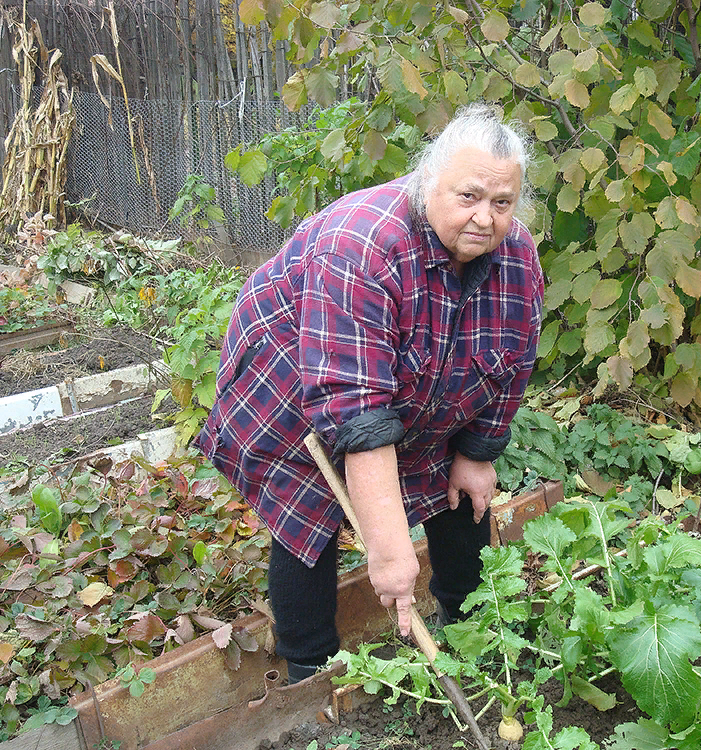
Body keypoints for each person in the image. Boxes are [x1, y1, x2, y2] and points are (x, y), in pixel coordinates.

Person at [194, 103, 544, 684]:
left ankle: (470, 633)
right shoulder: (361, 247)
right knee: (309, 514)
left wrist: (477, 454)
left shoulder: (517, 258)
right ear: (429, 180)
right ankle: (312, 673)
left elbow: (515, 358)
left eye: (502, 203)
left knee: (458, 497)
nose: (485, 218)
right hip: (296, 381)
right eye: (469, 197)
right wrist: (386, 550)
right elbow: (357, 418)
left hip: (420, 382)